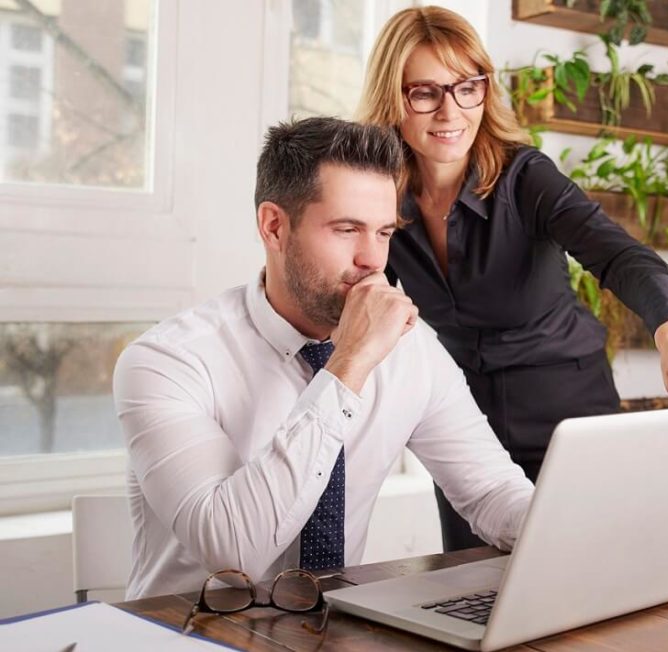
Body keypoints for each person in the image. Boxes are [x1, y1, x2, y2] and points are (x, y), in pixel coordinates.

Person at [357, 6, 668, 551]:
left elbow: (619, 255)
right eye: (425, 92)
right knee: (473, 593)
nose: (451, 111)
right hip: (462, 427)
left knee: (592, 576)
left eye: (468, 87)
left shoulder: (524, 177)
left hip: (567, 411)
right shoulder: (378, 195)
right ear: (393, 97)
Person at [113, 117, 533, 600]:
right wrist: (350, 361)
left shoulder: (412, 348)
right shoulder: (167, 360)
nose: (373, 261)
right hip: (193, 633)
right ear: (274, 226)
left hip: (334, 630)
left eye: (384, 232)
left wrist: (571, 536)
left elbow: (491, 492)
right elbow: (233, 554)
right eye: (347, 229)